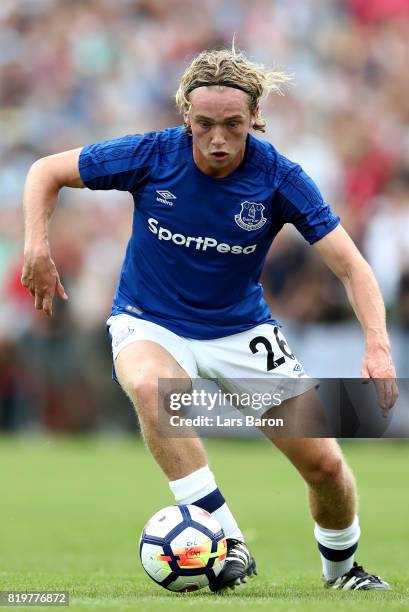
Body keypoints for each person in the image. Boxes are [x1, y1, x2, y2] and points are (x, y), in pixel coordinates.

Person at [21, 46, 398, 592]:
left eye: (232, 125)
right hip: (149, 321)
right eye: (204, 125)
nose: (218, 138)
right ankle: (225, 539)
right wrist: (36, 246)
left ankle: (343, 575)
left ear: (254, 119)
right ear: (185, 119)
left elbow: (353, 268)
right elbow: (44, 171)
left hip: (242, 332)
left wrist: (378, 346)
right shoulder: (151, 155)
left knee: (327, 468)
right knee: (155, 389)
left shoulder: (279, 178)